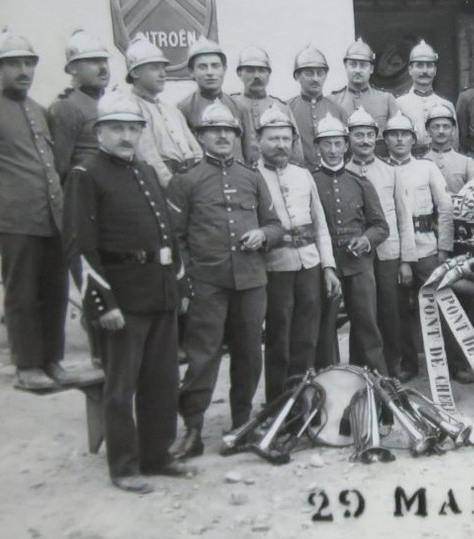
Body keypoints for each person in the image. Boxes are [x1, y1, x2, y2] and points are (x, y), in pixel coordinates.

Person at [62, 92, 194, 492]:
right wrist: (102, 303)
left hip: (159, 294)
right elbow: (80, 247)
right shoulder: (86, 174)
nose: (125, 136)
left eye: (132, 128)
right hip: (122, 299)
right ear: (100, 132)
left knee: (162, 381)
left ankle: (157, 455)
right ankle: (123, 466)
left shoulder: (147, 172)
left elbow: (169, 234)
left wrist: (180, 283)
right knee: (122, 388)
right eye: (116, 128)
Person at [0, 30, 87, 392]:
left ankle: (52, 361)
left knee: (55, 291)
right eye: (13, 63)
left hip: (51, 220)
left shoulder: (39, 111)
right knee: (22, 294)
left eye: (28, 63)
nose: (23, 70)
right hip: (14, 222)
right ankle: (27, 366)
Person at [166, 101, 284, 460]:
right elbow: (175, 238)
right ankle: (193, 428)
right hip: (208, 282)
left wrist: (263, 235)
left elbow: (276, 225)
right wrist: (186, 282)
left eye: (228, 131)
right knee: (203, 356)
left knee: (249, 354)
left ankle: (242, 424)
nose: (221, 136)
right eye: (213, 131)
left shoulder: (251, 178)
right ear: (201, 137)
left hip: (250, 280)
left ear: (236, 136)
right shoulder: (186, 181)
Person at [255, 106, 340, 400]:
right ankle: (278, 402)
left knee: (307, 336)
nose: (280, 145)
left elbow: (320, 227)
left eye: (285, 139)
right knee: (278, 338)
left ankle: (304, 398)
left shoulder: (303, 175)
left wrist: (328, 267)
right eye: (273, 138)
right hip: (275, 267)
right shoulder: (253, 177)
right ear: (259, 141)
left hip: (309, 265)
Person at [312, 114, 390, 372]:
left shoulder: (360, 182)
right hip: (325, 268)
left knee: (367, 325)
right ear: (317, 147)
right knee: (324, 329)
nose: (333, 150)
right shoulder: (310, 181)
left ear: (346, 146)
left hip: (359, 266)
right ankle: (328, 383)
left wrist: (365, 241)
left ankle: (374, 384)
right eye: (327, 144)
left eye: (338, 143)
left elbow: (381, 226)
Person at [345, 109, 417, 377]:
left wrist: (406, 261)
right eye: (358, 135)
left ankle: (392, 369)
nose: (364, 140)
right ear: (349, 138)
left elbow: (403, 216)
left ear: (376, 139)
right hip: (355, 257)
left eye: (368, 135)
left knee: (391, 312)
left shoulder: (390, 172)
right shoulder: (342, 173)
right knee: (361, 314)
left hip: (388, 254)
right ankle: (359, 368)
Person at [384, 113, 455, 379]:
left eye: (405, 134)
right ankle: (408, 364)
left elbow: (445, 208)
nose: (400, 139)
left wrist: (444, 247)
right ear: (386, 140)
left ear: (414, 139)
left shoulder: (427, 168)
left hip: (426, 246)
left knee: (443, 303)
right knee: (399, 308)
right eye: (394, 134)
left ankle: (456, 363)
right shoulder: (381, 170)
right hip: (395, 249)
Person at [122, 37, 201, 187]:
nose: (162, 74)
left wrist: (199, 181)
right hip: (162, 185)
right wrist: (172, 187)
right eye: (154, 68)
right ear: (135, 72)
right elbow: (148, 157)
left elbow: (195, 150)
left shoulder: (171, 109)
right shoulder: (131, 109)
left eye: (163, 68)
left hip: (190, 181)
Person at [48, 30, 111, 179]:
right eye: (93, 61)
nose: (103, 68)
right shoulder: (65, 107)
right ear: (72, 69)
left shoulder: (110, 102)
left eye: (105, 60)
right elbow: (59, 167)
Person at [232, 45, 296, 167]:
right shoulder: (232, 105)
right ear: (239, 73)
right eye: (250, 70)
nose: (256, 76)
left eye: (262, 70)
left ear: (269, 73)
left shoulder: (281, 107)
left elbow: (295, 151)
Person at [175, 37, 246, 144]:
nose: (210, 72)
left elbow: (249, 153)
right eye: (202, 67)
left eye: (215, 66)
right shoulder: (183, 109)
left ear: (224, 69)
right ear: (192, 71)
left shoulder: (238, 107)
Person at [286, 44, 347, 168]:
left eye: (320, 73)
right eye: (309, 73)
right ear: (297, 76)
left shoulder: (337, 110)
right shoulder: (287, 109)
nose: (315, 78)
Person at [394, 40, 454, 152]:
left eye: (429, 66)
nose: (425, 71)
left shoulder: (447, 105)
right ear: (410, 69)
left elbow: (454, 145)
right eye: (419, 66)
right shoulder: (398, 104)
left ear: (435, 70)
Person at [330, 39, 398, 125]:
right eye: (353, 64)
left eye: (363, 65)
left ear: (371, 69)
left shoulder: (386, 99)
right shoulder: (332, 101)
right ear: (346, 66)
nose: (358, 70)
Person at [421, 101, 474, 194]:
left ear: (454, 130)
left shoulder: (466, 162)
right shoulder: (421, 163)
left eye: (446, 126)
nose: (441, 131)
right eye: (436, 127)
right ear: (428, 130)